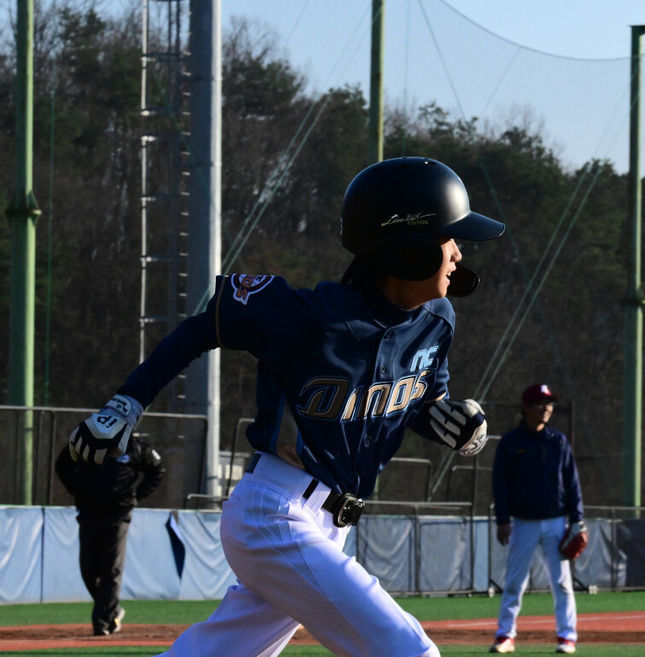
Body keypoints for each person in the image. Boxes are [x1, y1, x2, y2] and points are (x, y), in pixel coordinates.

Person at [67, 156, 505, 657]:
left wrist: (454, 424)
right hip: (276, 512)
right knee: (407, 650)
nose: (457, 253)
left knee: (220, 652)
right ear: (407, 252)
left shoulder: (437, 321)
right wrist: (126, 404)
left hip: (328, 524)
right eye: (449, 239)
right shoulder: (308, 316)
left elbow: (422, 403)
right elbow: (203, 327)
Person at [490, 383, 586, 655]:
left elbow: (572, 483)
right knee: (514, 582)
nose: (547, 408)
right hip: (523, 522)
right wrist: (502, 519)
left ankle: (567, 637)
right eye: (541, 403)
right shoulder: (511, 442)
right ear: (526, 407)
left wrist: (578, 520)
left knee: (562, 583)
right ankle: (505, 635)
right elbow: (500, 483)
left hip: (556, 522)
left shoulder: (559, 441)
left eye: (550, 403)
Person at [55, 436, 165, 636]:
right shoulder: (85, 442)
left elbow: (157, 470)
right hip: (89, 513)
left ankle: (103, 623)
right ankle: (112, 610)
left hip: (119, 514)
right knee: (88, 569)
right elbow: (62, 465)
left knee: (111, 568)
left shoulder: (135, 447)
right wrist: (77, 490)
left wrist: (135, 495)